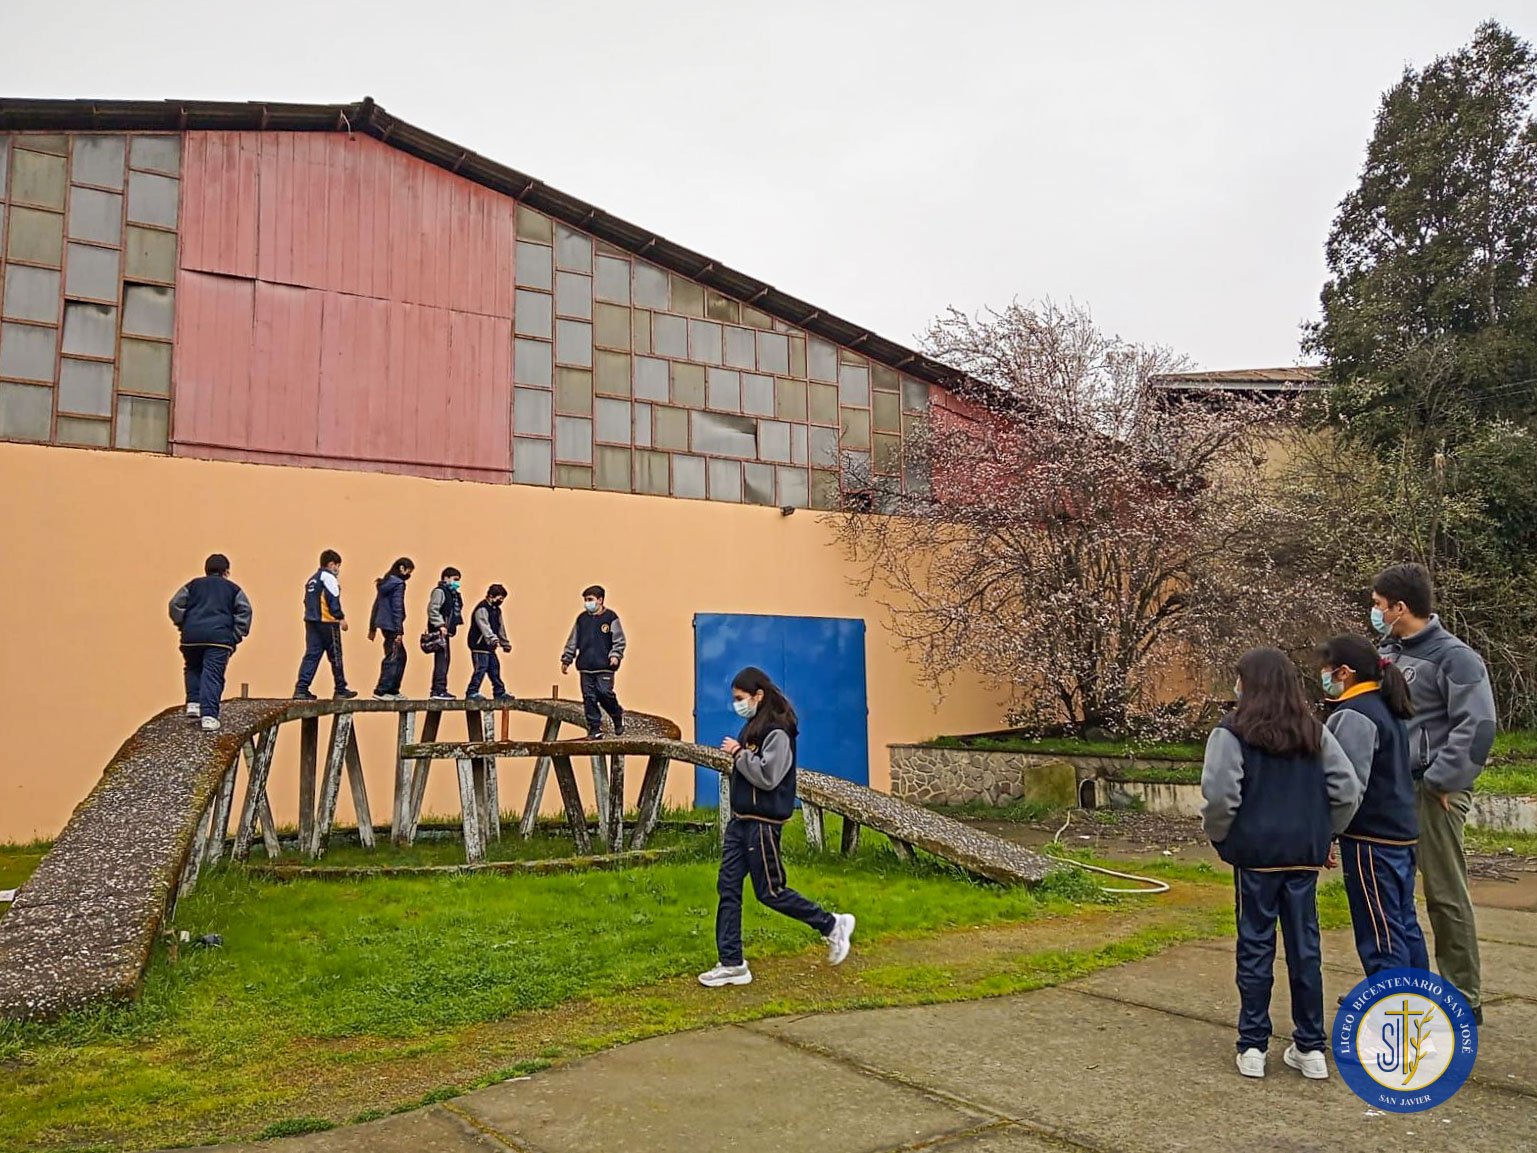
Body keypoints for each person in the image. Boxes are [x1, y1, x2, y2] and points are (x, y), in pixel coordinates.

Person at [1201, 647, 1360, 1081]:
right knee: (1305, 949)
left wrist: (1221, 837)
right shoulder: (1314, 731)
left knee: (1255, 946)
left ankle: (1253, 1045)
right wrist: (1325, 834)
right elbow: (1346, 790)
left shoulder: (1231, 732)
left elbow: (1220, 796)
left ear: (1248, 684)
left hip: (1256, 858)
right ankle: (1310, 1047)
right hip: (1302, 856)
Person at [1373, 563, 1497, 1025]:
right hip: (1393, 788)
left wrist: (1444, 779)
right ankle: (1399, 985)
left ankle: (1463, 995)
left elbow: (1478, 726)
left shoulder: (1455, 657)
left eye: (1378, 605)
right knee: (1394, 894)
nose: (1374, 612)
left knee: (1444, 893)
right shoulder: (1387, 652)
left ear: (1400, 607)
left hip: (1433, 790)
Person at [698, 667, 854, 988]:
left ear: (758, 695)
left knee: (770, 891)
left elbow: (769, 777)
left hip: (763, 824)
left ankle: (832, 925)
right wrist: (741, 755)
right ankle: (732, 963)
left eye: (740, 698)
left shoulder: (778, 732)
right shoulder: (752, 728)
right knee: (728, 887)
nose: (737, 704)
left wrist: (738, 754)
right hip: (741, 821)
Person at [1320, 634, 1430, 982]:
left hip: (1372, 840)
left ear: (1344, 672)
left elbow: (1346, 787)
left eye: (1326, 668)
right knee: (1403, 925)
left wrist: (1327, 832)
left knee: (1381, 934)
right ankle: (1417, 1004)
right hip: (1400, 835)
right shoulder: (1385, 706)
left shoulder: (1355, 713)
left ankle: (1393, 1008)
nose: (1323, 675)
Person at [169, 554, 253, 733]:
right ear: (226, 571)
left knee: (193, 668)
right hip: (219, 639)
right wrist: (234, 636)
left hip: (191, 637)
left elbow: (175, 604)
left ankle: (193, 703)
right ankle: (209, 716)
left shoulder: (193, 585)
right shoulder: (233, 589)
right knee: (212, 674)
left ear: (206, 570)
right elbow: (245, 611)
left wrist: (184, 625)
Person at [560, 585, 626, 739]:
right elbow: (573, 640)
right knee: (589, 698)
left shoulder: (610, 618)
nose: (587, 603)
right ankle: (594, 728)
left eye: (590, 599)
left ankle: (616, 714)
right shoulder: (581, 619)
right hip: (585, 667)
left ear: (600, 600)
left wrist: (615, 655)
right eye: (585, 600)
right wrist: (567, 659)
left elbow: (619, 640)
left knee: (604, 692)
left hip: (605, 666)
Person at [294, 549, 356, 701]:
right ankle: (340, 689)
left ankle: (301, 688)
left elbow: (306, 601)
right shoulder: (328, 578)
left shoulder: (312, 580)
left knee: (312, 655)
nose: (338, 569)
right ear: (331, 564)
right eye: (337, 565)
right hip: (327, 622)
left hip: (311, 621)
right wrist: (340, 618)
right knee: (336, 656)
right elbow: (333, 599)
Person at [369, 557, 415, 699]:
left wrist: (372, 627)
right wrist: (399, 631)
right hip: (392, 626)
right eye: (409, 571)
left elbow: (376, 605)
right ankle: (382, 690)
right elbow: (397, 607)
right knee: (394, 656)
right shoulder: (398, 584)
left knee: (399, 655)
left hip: (384, 624)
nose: (409, 575)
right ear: (402, 568)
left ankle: (393, 690)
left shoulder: (386, 582)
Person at [466, 584, 514, 701]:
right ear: (491, 596)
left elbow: (500, 628)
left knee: (494, 668)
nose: (501, 601)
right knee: (481, 668)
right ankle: (472, 692)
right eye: (500, 598)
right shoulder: (482, 609)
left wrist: (505, 643)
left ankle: (499, 692)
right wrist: (493, 639)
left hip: (489, 646)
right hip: (479, 645)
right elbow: (484, 626)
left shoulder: (497, 610)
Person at [427, 566, 464, 701]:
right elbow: (433, 609)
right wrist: (441, 625)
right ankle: (438, 690)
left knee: (445, 660)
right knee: (442, 660)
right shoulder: (440, 591)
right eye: (455, 579)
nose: (457, 583)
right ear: (446, 578)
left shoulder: (453, 594)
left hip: (445, 632)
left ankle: (440, 689)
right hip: (439, 631)